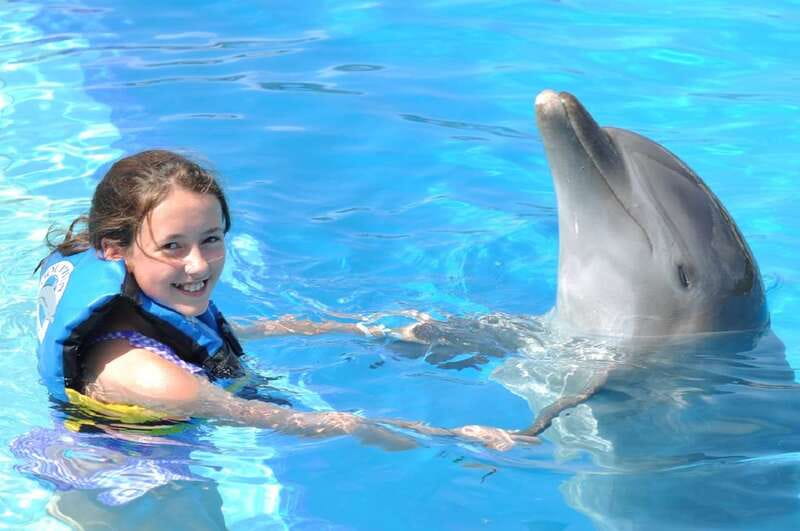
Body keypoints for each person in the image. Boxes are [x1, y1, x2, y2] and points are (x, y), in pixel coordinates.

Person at [36, 150, 535, 451]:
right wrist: (454, 436)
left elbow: (219, 339)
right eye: (172, 246)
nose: (198, 265)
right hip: (131, 494)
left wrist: (361, 329)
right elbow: (304, 424)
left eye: (211, 238)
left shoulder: (147, 298)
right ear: (113, 249)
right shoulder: (147, 375)